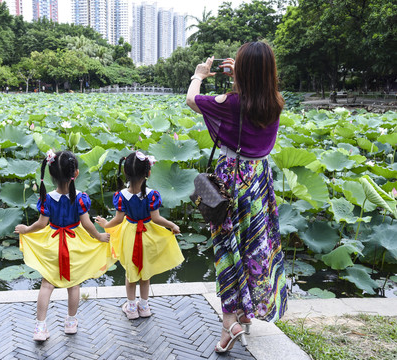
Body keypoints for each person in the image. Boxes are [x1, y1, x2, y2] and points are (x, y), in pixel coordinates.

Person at [186, 42, 287, 353]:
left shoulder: (229, 103)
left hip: (231, 181)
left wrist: (198, 75)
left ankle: (229, 322)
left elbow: (192, 100)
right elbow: (252, 94)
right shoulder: (275, 103)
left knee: (228, 250)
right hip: (259, 181)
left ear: (242, 72)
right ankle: (246, 313)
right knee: (254, 246)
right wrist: (240, 75)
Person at [15, 150, 114, 342]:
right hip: (74, 244)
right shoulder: (80, 198)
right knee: (74, 284)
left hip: (52, 243)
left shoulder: (47, 198)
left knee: (46, 284)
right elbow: (86, 224)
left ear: (51, 175)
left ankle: (40, 326)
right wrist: (99, 236)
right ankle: (70, 322)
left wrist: (26, 229)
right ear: (75, 174)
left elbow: (41, 224)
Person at [95, 151, 184, 320]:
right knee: (145, 273)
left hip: (130, 235)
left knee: (131, 274)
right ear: (148, 173)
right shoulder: (152, 195)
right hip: (148, 235)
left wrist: (105, 225)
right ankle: (144, 307)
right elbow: (156, 218)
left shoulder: (121, 196)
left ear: (125, 173)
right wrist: (172, 225)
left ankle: (131, 308)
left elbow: (118, 219)